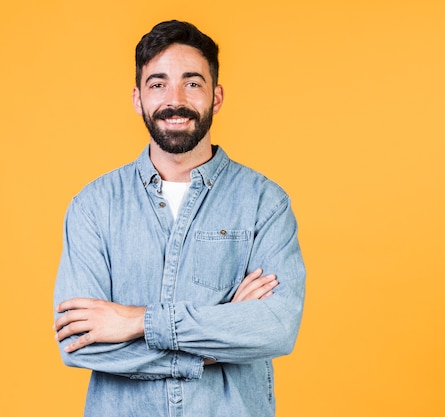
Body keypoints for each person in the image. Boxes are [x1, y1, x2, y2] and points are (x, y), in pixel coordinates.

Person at [53, 20, 305, 417]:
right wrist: (214, 343)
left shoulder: (264, 203)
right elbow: (79, 341)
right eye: (157, 84)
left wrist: (136, 322)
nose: (175, 100)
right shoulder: (93, 206)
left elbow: (275, 328)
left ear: (216, 96)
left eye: (192, 83)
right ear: (137, 98)